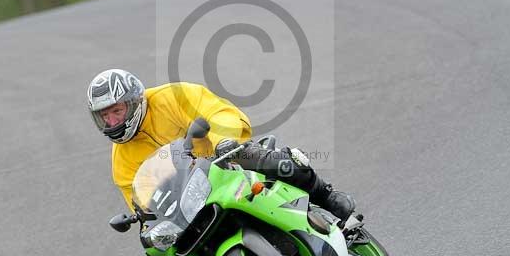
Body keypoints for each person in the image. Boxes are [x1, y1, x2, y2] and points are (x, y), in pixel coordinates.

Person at [87, 69, 356, 225]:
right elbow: (140, 202)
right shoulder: (121, 161)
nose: (111, 121)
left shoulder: (172, 96)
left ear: (134, 101)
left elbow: (218, 112)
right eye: (104, 116)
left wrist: (223, 140)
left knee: (270, 160)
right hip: (190, 195)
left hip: (223, 159)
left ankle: (325, 196)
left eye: (117, 111)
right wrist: (147, 222)